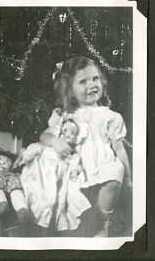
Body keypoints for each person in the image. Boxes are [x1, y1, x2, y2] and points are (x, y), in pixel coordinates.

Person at [38, 56, 132, 236]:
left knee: (115, 174)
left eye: (95, 78)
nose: (92, 85)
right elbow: (45, 135)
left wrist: (127, 176)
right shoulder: (65, 115)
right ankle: (80, 226)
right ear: (70, 90)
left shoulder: (110, 116)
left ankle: (103, 222)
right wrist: (56, 141)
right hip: (76, 166)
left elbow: (119, 148)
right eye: (83, 81)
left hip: (102, 164)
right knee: (76, 208)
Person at [17, 118, 91, 232]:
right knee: (42, 199)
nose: (68, 135)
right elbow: (37, 147)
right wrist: (25, 158)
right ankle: (36, 226)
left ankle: (48, 227)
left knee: (57, 201)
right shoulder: (47, 147)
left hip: (56, 180)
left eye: (73, 134)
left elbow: (74, 163)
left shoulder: (71, 153)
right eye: (65, 131)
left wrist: (75, 171)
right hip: (41, 175)